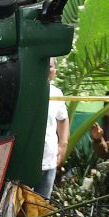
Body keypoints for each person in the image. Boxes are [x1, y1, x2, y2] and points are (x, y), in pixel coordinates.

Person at [37, 58, 69, 199]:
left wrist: (62, 145)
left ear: (54, 71)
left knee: (42, 206)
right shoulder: (24, 90)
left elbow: (63, 119)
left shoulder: (56, 93)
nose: (46, 69)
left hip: (49, 159)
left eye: (49, 66)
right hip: (25, 162)